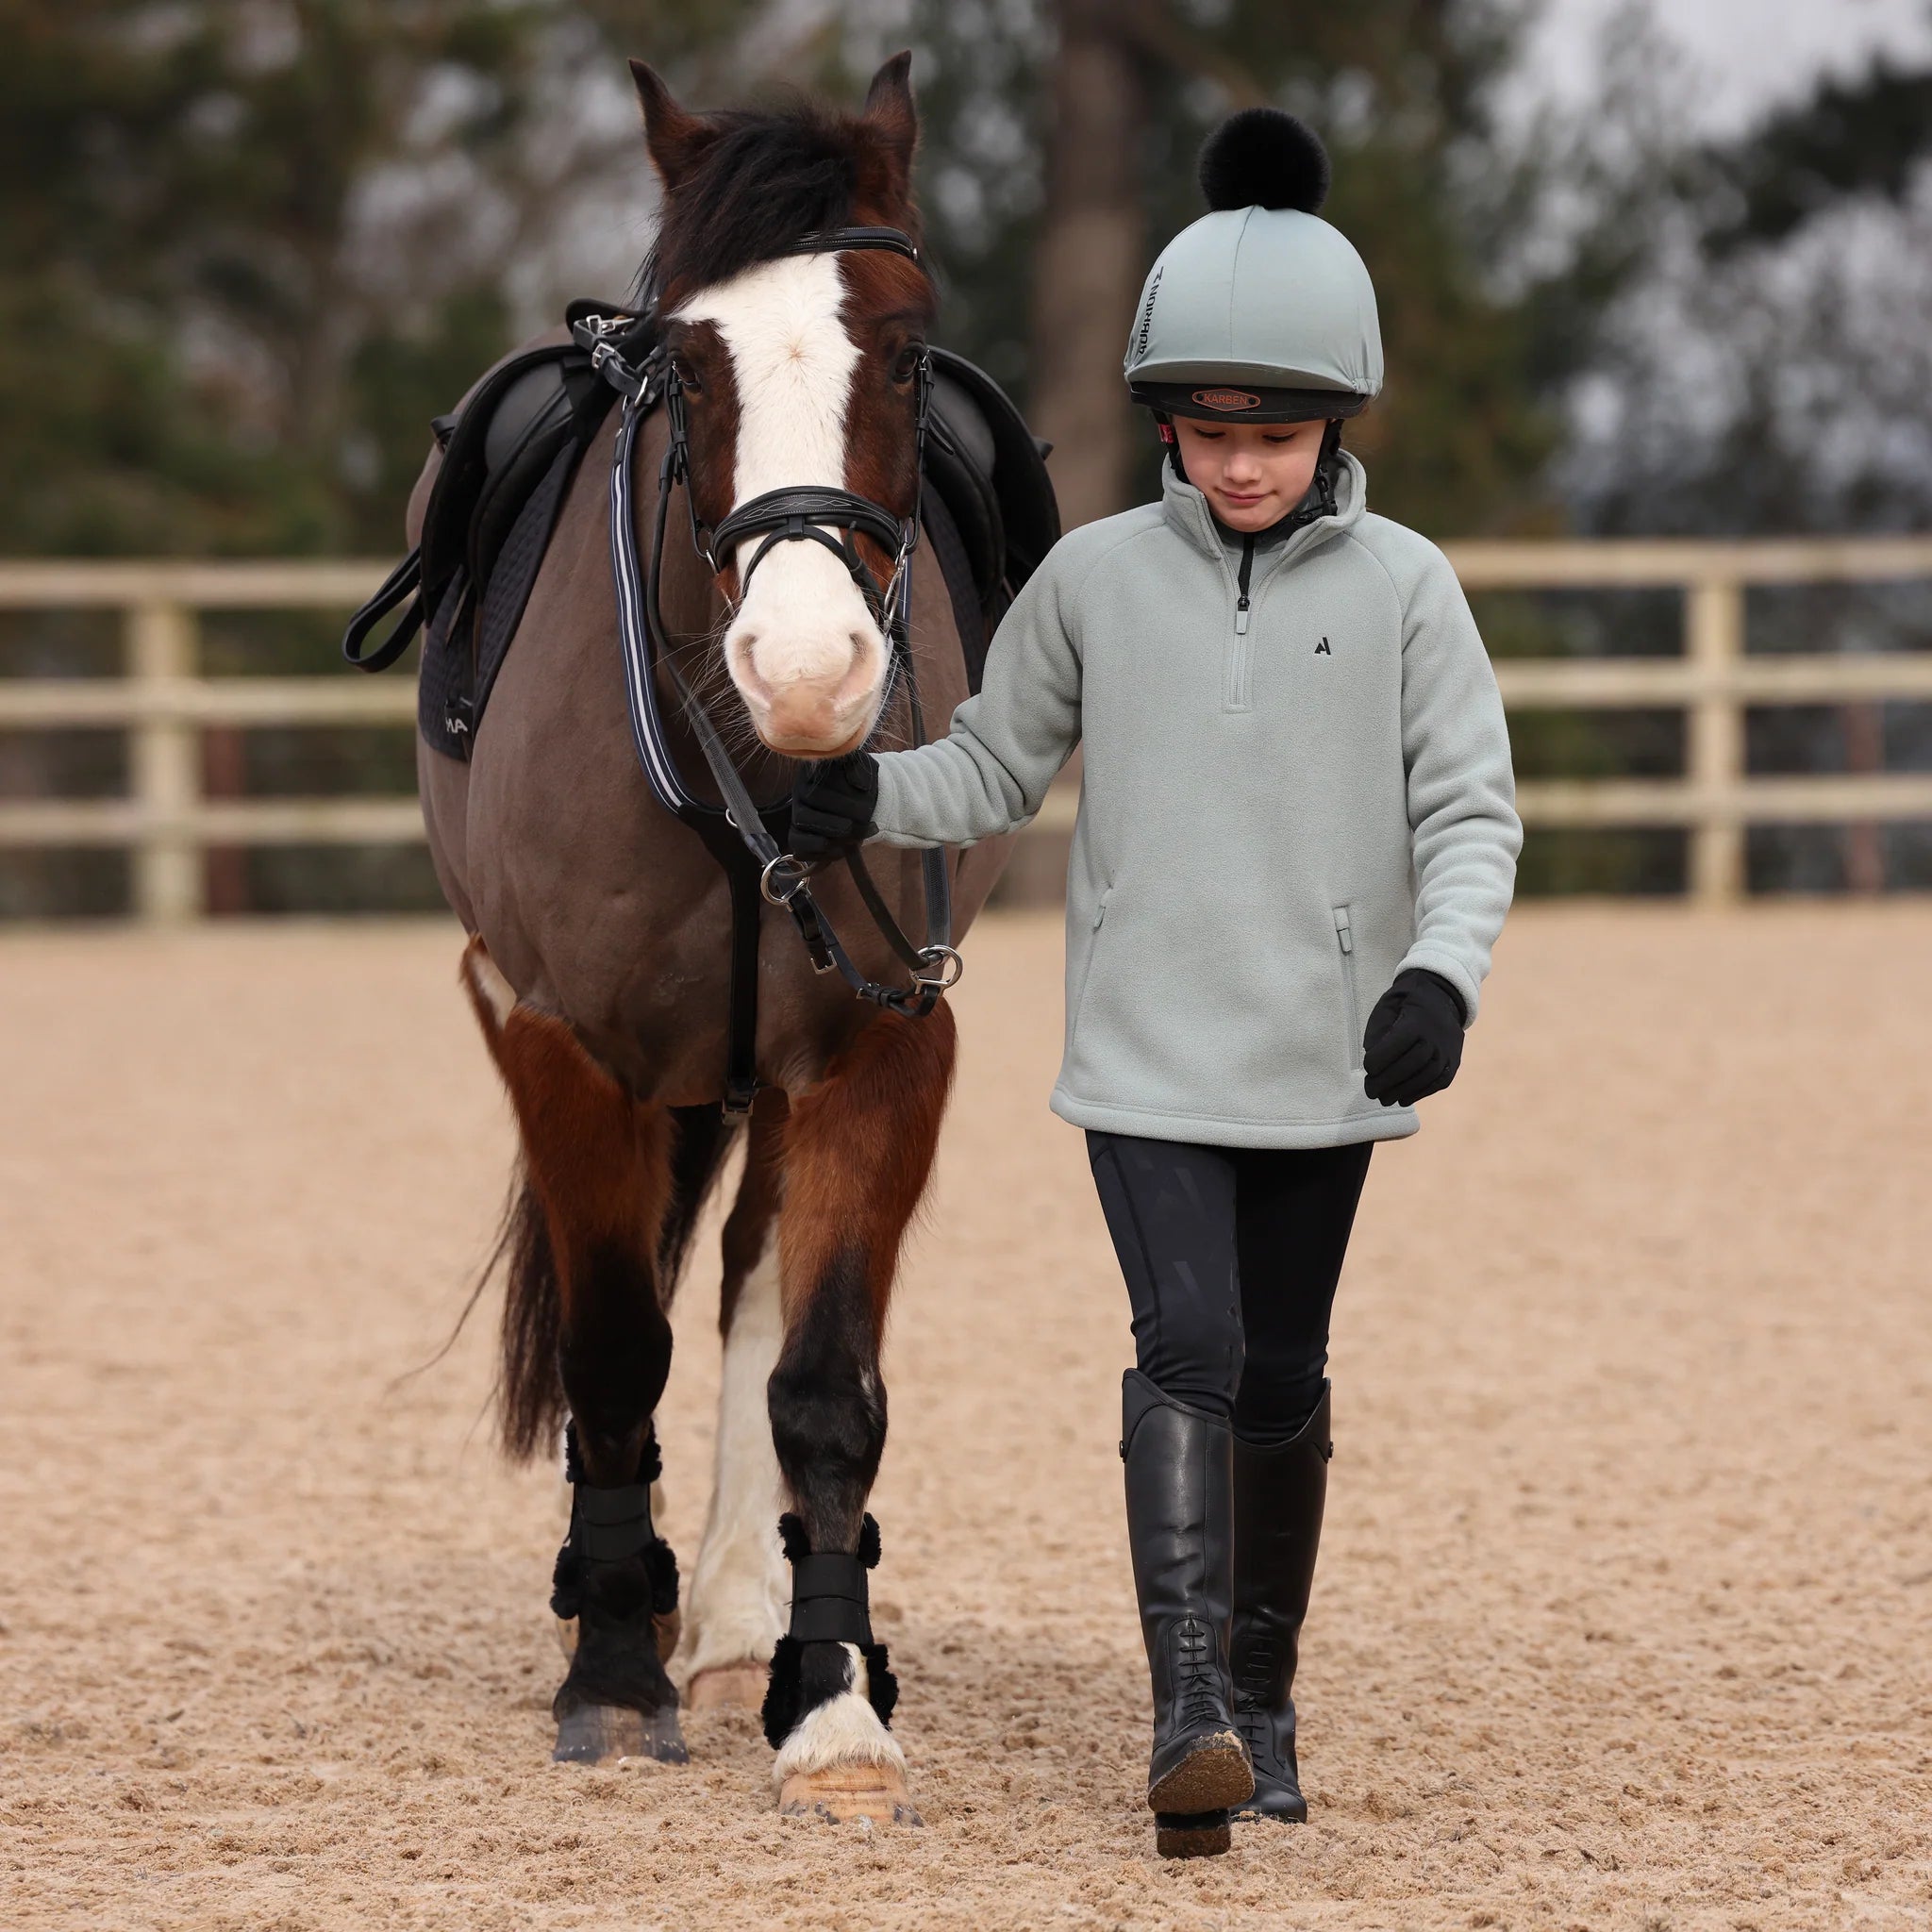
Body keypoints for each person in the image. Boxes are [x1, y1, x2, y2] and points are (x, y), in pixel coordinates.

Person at [789, 108, 1521, 1860]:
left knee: (1282, 1374)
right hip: (1146, 1061)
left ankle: (1264, 1700)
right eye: (1209, 432)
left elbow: (1474, 812)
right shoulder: (1097, 583)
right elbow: (983, 769)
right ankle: (1187, 1702)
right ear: (1169, 423)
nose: (1242, 464)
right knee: (1185, 1344)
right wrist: (863, 794)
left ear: (1332, 422)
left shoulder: (1413, 591)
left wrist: (1443, 978)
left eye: (1272, 434)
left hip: (1331, 1057)